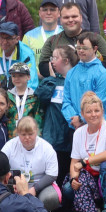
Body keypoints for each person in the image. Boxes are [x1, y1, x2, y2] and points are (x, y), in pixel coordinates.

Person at [67, 92, 106, 212]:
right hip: (90, 175)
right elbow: (74, 161)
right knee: (68, 189)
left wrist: (85, 161)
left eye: (97, 110)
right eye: (89, 112)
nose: (93, 114)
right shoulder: (79, 132)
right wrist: (74, 178)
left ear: (102, 111)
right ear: (82, 114)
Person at [37, 46, 77, 184]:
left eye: (55, 58)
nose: (52, 61)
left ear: (66, 60)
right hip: (53, 138)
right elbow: (41, 98)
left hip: (71, 137)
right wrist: (52, 80)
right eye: (51, 58)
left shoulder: (76, 80)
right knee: (55, 176)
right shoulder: (51, 80)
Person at [37, 3, 106, 77]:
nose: (70, 20)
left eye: (74, 16)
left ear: (81, 18)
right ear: (61, 20)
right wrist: (65, 69)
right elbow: (43, 67)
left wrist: (84, 69)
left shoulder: (96, 38)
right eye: (66, 17)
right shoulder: (52, 41)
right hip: (62, 85)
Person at [3, 118, 61, 211]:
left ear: (36, 132)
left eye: (30, 134)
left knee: (51, 197)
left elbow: (52, 175)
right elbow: (1, 167)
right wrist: (11, 183)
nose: (27, 138)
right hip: (15, 183)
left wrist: (35, 189)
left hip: (40, 185)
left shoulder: (47, 148)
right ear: (17, 133)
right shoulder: (9, 146)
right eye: (23, 134)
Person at [62, 32, 106, 127]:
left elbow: (99, 102)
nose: (81, 51)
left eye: (85, 48)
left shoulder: (103, 74)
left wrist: (81, 119)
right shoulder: (71, 73)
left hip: (99, 127)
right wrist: (73, 119)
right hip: (75, 126)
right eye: (78, 48)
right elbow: (66, 101)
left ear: (95, 49)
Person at [0, 21, 39, 91]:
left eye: (8, 38)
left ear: (17, 39)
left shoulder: (26, 54)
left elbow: (31, 82)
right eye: (2, 37)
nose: (4, 42)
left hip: (19, 92)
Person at [23, 0, 62, 68]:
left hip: (62, 78)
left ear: (59, 13)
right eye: (45, 10)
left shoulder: (65, 33)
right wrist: (38, 75)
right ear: (39, 13)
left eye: (52, 10)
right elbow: (24, 63)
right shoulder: (29, 36)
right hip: (37, 78)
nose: (48, 13)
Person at [5, 63, 39, 136]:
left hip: (28, 136)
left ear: (28, 77)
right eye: (14, 76)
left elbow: (38, 120)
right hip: (10, 136)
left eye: (21, 75)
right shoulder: (7, 96)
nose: (17, 78)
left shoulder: (35, 96)